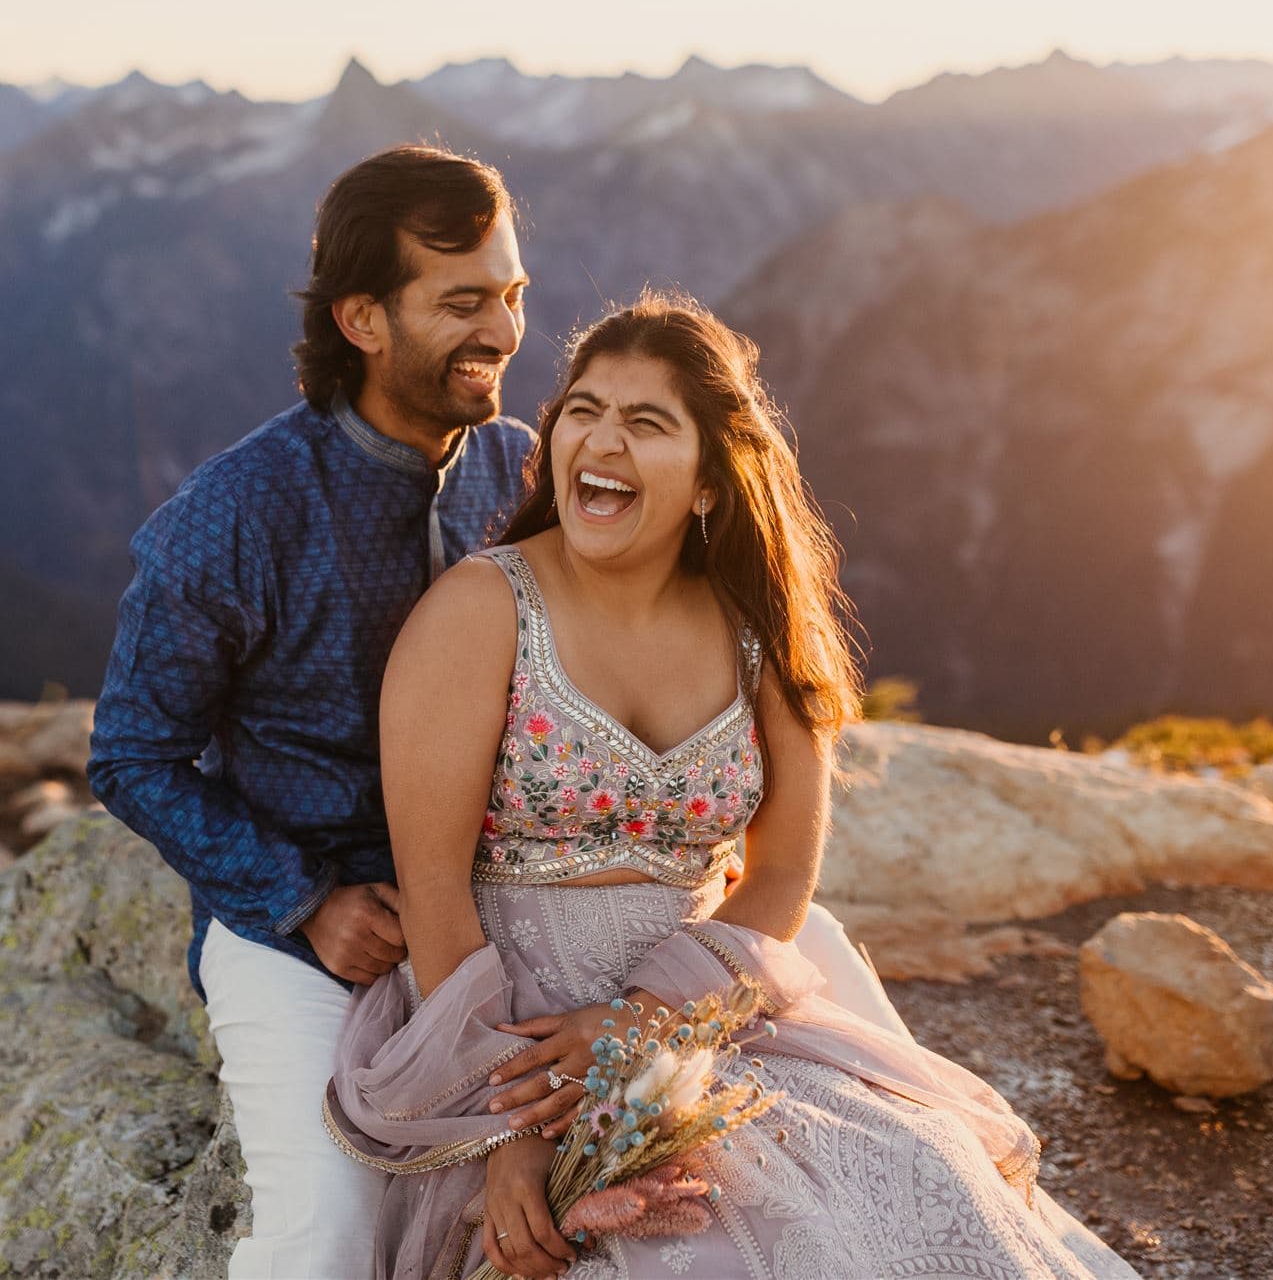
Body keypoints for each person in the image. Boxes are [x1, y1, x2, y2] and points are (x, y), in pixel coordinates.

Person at [90, 147, 908, 1278]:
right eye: (464, 302)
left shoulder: (519, 463)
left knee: (883, 1139)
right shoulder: (233, 516)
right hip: (318, 930)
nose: (505, 331)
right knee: (328, 1236)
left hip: (526, 898)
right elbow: (132, 754)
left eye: (513, 295)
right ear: (364, 319)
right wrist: (303, 898)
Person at [326, 293, 1138, 1279]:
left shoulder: (756, 630)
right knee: (668, 1250)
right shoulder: (478, 610)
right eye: (581, 410)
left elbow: (784, 869)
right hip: (505, 1032)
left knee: (916, 1190)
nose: (601, 439)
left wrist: (645, 1029)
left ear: (708, 481)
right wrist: (512, 1132)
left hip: (701, 1013)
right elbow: (434, 892)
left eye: (645, 421)